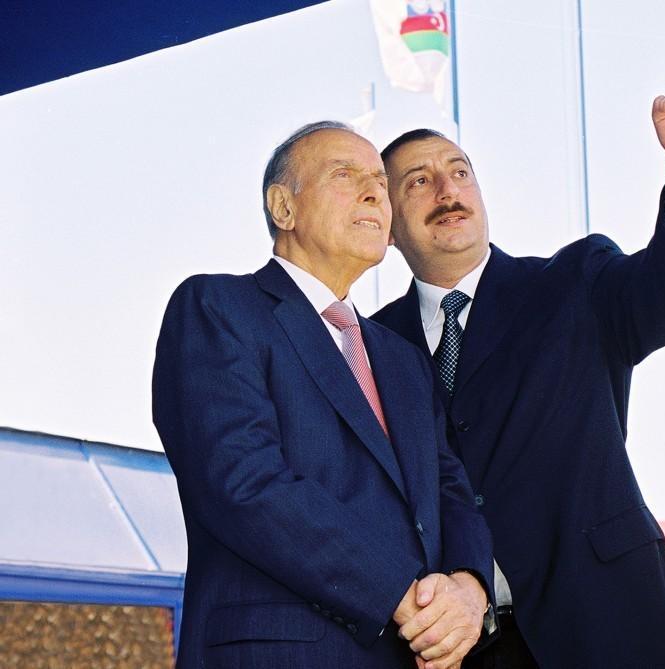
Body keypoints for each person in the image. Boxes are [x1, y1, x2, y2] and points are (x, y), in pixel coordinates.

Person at [372, 38, 665, 667]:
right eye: (418, 181)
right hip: (463, 652)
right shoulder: (370, 347)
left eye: (460, 172)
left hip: (620, 630)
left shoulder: (574, 282)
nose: (447, 189)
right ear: (386, 223)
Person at [152, 121, 495, 669]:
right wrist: (401, 595)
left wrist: (469, 590)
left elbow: (450, 487)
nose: (374, 192)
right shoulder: (217, 308)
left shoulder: (403, 358)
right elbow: (244, 482)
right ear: (283, 207)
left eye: (380, 182)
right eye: (345, 175)